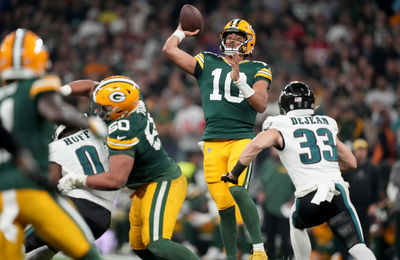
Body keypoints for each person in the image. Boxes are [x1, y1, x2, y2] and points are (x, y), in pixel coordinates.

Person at [221, 81, 376, 260]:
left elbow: (256, 145)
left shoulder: (280, 124)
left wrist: (234, 173)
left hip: (308, 196)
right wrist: (326, 167)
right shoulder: (326, 123)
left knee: (296, 223)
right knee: (358, 246)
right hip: (337, 192)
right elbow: (351, 162)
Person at [56, 75, 200, 260]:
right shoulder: (131, 100)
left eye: (104, 108)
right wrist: (61, 91)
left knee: (157, 242)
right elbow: (91, 87)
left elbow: (117, 179)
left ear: (118, 110)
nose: (97, 110)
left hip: (162, 181)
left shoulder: (122, 130)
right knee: (139, 246)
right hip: (143, 185)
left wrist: (77, 180)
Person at [163, 18, 272, 260]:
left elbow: (262, 105)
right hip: (212, 141)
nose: (232, 40)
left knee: (238, 191)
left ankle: (258, 251)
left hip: (241, 138)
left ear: (249, 41)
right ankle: (230, 256)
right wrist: (180, 32)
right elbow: (169, 50)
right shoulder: (207, 61)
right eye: (229, 37)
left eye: (238, 37)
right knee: (223, 206)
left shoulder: (258, 68)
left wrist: (240, 81)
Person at [0, 29, 107, 260]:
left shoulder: (2, 96)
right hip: (32, 194)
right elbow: (53, 110)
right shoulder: (37, 85)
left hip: (3, 194)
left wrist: (18, 154)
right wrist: (89, 124)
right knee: (88, 253)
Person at [24, 124, 117, 260]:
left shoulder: (56, 147)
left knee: (18, 238)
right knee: (45, 252)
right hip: (102, 219)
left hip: (77, 207)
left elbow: (51, 184)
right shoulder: (96, 137)